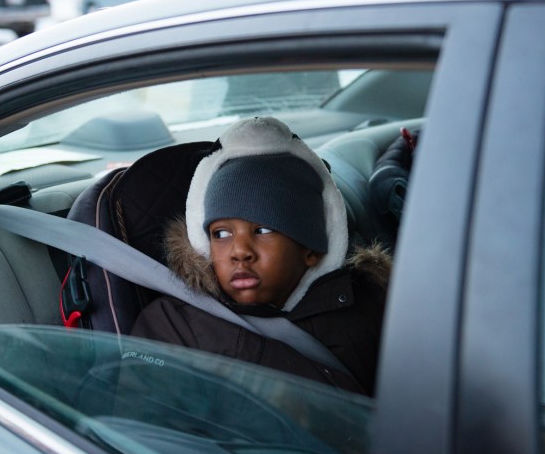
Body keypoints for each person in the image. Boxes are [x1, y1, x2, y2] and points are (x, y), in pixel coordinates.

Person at [131, 116, 391, 395]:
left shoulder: (369, 305)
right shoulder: (176, 327)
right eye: (221, 234)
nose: (240, 251)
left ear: (311, 249)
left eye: (263, 229)